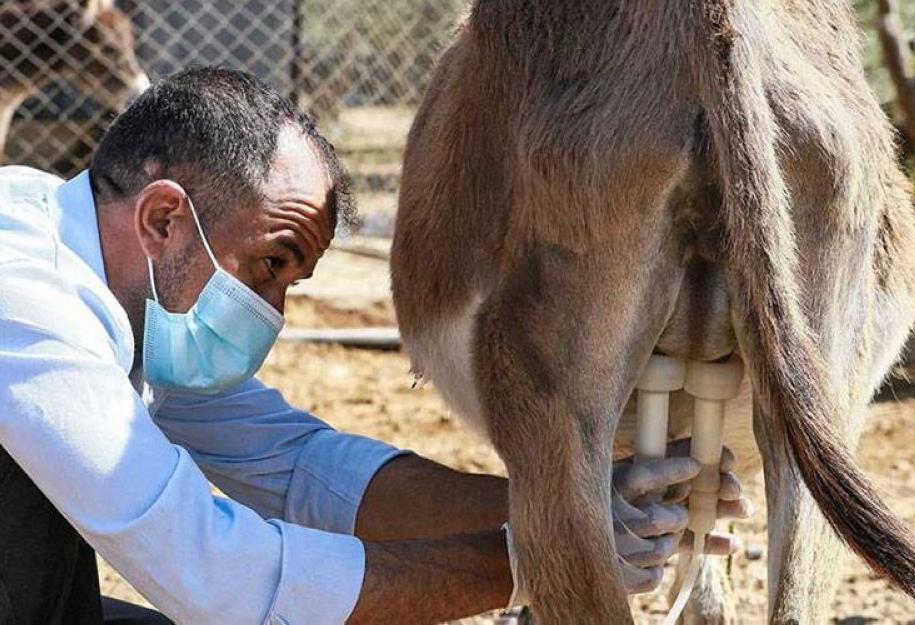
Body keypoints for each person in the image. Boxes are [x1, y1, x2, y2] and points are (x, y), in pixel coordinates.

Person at [0, 67, 752, 624]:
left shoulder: (113, 281)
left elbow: (301, 464)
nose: (273, 314)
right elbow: (219, 577)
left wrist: (576, 508)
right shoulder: (28, 303)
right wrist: (540, 560)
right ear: (164, 219)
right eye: (270, 266)